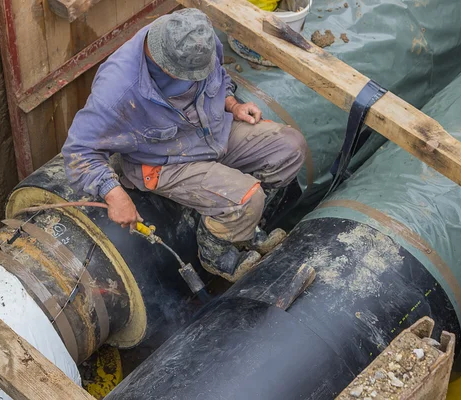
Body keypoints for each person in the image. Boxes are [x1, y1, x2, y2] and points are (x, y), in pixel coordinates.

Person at [62, 8, 307, 282]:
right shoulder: (118, 91)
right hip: (163, 161)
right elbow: (78, 151)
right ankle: (215, 251)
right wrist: (114, 194)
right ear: (166, 65)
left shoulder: (198, 40)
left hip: (210, 134)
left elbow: (219, 78)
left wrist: (232, 104)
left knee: (289, 148)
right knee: (247, 198)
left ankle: (241, 221)